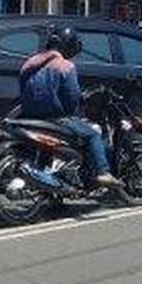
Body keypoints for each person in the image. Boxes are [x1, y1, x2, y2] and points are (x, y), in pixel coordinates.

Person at [19, 26, 120, 189]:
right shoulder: (65, 66)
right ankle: (103, 172)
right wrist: (76, 113)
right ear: (67, 45)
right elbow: (72, 98)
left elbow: (22, 89)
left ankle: (53, 195)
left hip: (29, 118)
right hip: (55, 118)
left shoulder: (29, 63)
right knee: (92, 135)